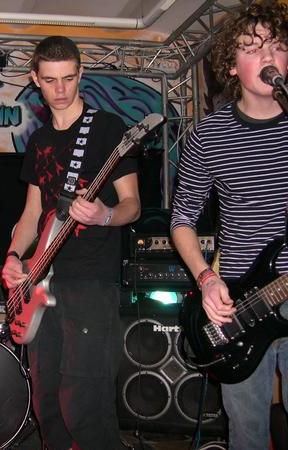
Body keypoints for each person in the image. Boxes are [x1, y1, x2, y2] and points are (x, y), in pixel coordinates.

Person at [1, 36, 141, 449]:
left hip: (90, 282)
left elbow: (132, 205)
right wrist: (13, 256)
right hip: (42, 283)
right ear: (35, 79)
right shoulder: (39, 141)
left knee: (84, 405)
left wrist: (105, 215)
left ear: (81, 74)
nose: (60, 89)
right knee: (47, 404)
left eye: (68, 78)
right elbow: (32, 214)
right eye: (50, 80)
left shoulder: (108, 129)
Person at [170, 2, 288, 449]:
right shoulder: (210, 135)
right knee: (248, 432)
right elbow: (182, 219)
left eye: (277, 46)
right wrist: (205, 278)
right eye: (253, 48)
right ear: (232, 66)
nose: (269, 56)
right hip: (239, 305)